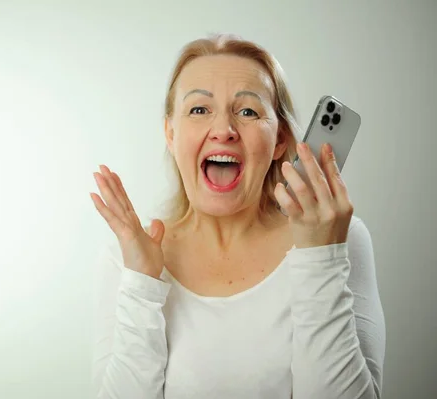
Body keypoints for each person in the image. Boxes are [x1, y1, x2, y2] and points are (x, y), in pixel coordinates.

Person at [89, 33, 386, 399]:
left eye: (248, 111)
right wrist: (141, 285)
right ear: (170, 132)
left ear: (279, 141)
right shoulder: (126, 258)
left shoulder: (338, 238)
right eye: (199, 109)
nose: (224, 131)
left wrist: (319, 258)